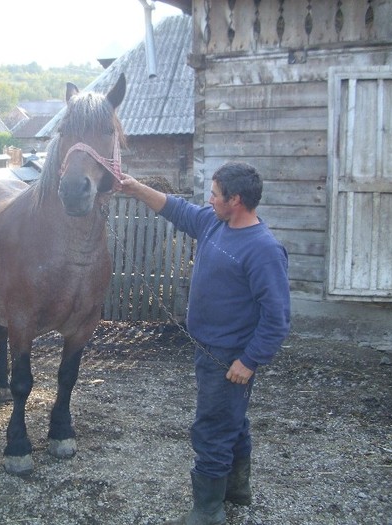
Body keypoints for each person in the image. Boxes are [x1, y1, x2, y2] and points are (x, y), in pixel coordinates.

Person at [118, 162, 291, 525]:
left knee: (212, 427)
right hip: (208, 348)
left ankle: (208, 511)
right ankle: (236, 490)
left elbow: (277, 317)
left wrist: (250, 361)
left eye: (215, 194)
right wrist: (135, 188)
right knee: (233, 419)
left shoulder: (263, 250)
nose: (209, 200)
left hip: (229, 358)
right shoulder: (216, 222)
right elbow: (176, 209)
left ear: (236, 200)